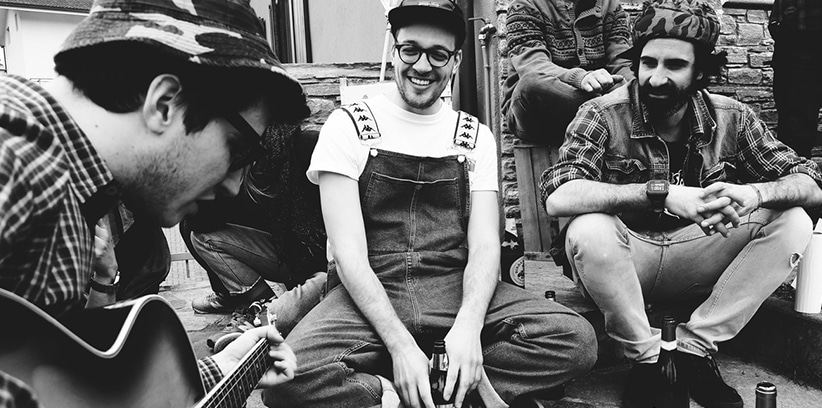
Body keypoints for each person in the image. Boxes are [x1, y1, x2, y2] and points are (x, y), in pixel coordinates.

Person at [265, 1, 597, 408]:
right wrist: (401, 346)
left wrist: (469, 328)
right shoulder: (348, 125)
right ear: (394, 51)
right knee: (287, 380)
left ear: (456, 61)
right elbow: (348, 257)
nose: (422, 66)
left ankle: (440, 382)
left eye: (438, 54)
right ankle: (402, 390)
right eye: (411, 50)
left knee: (575, 340)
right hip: (368, 290)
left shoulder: (474, 136)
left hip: (453, 284)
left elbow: (485, 245)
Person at [0, 0, 310, 404]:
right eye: (238, 151)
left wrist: (219, 371)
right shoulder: (15, 161)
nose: (234, 187)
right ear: (164, 104)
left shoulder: (71, 192)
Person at [541, 1, 822, 407]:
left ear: (701, 72)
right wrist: (663, 193)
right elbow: (559, 196)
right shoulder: (602, 113)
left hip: (695, 256)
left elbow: (812, 181)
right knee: (588, 226)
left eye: (674, 65)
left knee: (793, 219)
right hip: (621, 261)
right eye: (647, 63)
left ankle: (693, 349)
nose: (656, 77)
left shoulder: (733, 118)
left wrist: (756, 193)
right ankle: (646, 358)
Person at [183, 124, 328, 337]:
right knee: (197, 234)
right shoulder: (240, 171)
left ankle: (263, 316)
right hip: (288, 259)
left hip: (325, 264)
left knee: (283, 317)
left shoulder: (306, 146)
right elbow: (199, 224)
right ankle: (258, 304)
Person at [502, 0, 634, 145]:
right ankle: (608, 110)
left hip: (595, 99)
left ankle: (607, 110)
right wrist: (580, 78)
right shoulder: (524, 5)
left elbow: (622, 62)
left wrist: (637, 89)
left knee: (632, 89)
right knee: (530, 84)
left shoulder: (612, 6)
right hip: (539, 112)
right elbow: (533, 64)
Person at [770, 0, 822, 158]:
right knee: (793, 128)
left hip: (801, 37)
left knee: (795, 127)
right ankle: (795, 169)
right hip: (793, 39)